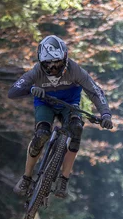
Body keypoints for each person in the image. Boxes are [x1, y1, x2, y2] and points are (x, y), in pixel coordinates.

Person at [7, 35, 113, 199]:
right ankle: (26, 177)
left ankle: (64, 180)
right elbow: (12, 92)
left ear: (65, 58)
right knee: (41, 135)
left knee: (76, 130)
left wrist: (105, 113)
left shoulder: (75, 69)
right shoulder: (36, 71)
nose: (52, 67)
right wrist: (31, 90)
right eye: (47, 64)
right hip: (45, 104)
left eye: (57, 62)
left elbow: (94, 91)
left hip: (69, 105)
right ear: (41, 62)